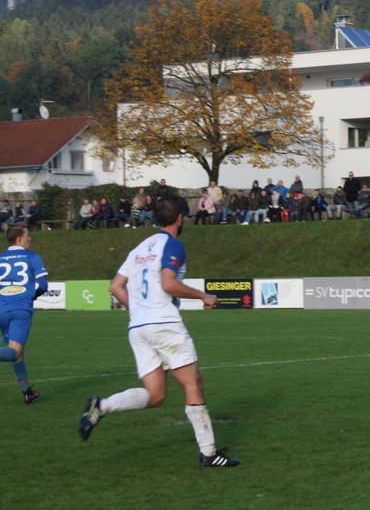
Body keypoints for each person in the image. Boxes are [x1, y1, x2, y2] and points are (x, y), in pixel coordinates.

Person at [77, 198, 239, 468]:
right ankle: (209, 454)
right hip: (164, 324)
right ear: (179, 218)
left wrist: (140, 310)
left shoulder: (139, 248)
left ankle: (101, 406)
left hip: (138, 328)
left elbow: (115, 286)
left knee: (155, 395)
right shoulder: (173, 245)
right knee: (193, 385)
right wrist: (204, 296)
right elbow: (168, 284)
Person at [0, 226, 48, 403]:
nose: (30, 239)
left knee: (19, 352)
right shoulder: (32, 257)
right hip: (20, 310)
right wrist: (31, 297)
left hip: (1, 309)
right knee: (14, 352)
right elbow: (43, 286)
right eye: (27, 236)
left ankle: (27, 391)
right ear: (19, 239)